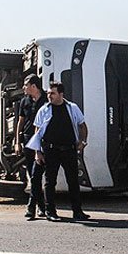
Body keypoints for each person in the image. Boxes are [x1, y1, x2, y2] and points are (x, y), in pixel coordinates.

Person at [26, 81, 90, 221]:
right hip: (50, 150)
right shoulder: (44, 110)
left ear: (61, 94)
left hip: (69, 149)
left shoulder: (72, 108)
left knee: (73, 181)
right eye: (48, 93)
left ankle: (77, 211)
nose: (49, 96)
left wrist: (82, 142)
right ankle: (50, 212)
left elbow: (82, 125)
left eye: (52, 93)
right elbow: (37, 132)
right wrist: (38, 152)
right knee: (50, 182)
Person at [15, 74, 48, 219]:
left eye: (25, 85)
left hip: (44, 141)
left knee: (39, 175)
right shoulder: (24, 101)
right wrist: (17, 142)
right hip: (29, 140)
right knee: (33, 176)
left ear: (33, 86)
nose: (23, 87)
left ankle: (31, 207)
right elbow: (20, 122)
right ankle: (40, 207)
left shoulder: (47, 100)